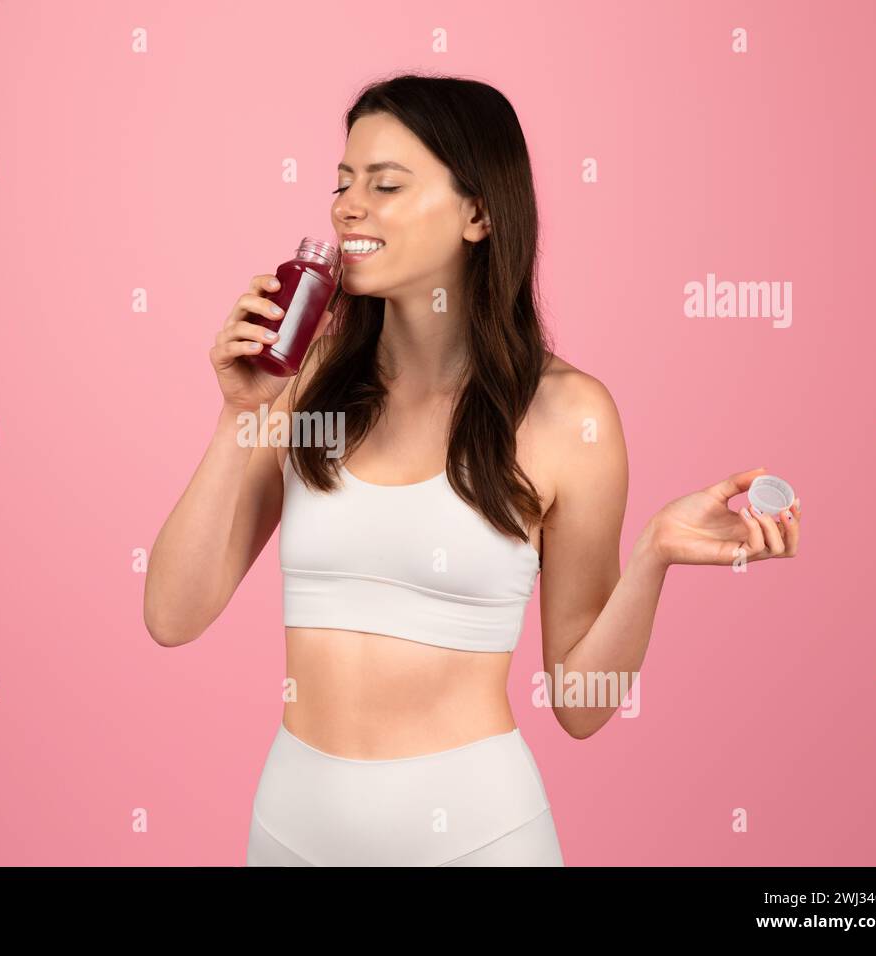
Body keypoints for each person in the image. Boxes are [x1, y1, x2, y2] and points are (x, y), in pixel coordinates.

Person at [143, 72, 803, 866]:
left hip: (478, 838)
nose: (348, 206)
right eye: (343, 182)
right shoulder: (305, 381)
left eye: (386, 184)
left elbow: (580, 706)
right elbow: (173, 616)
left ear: (480, 214)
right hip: (289, 832)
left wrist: (654, 554)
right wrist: (238, 413)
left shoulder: (567, 416)